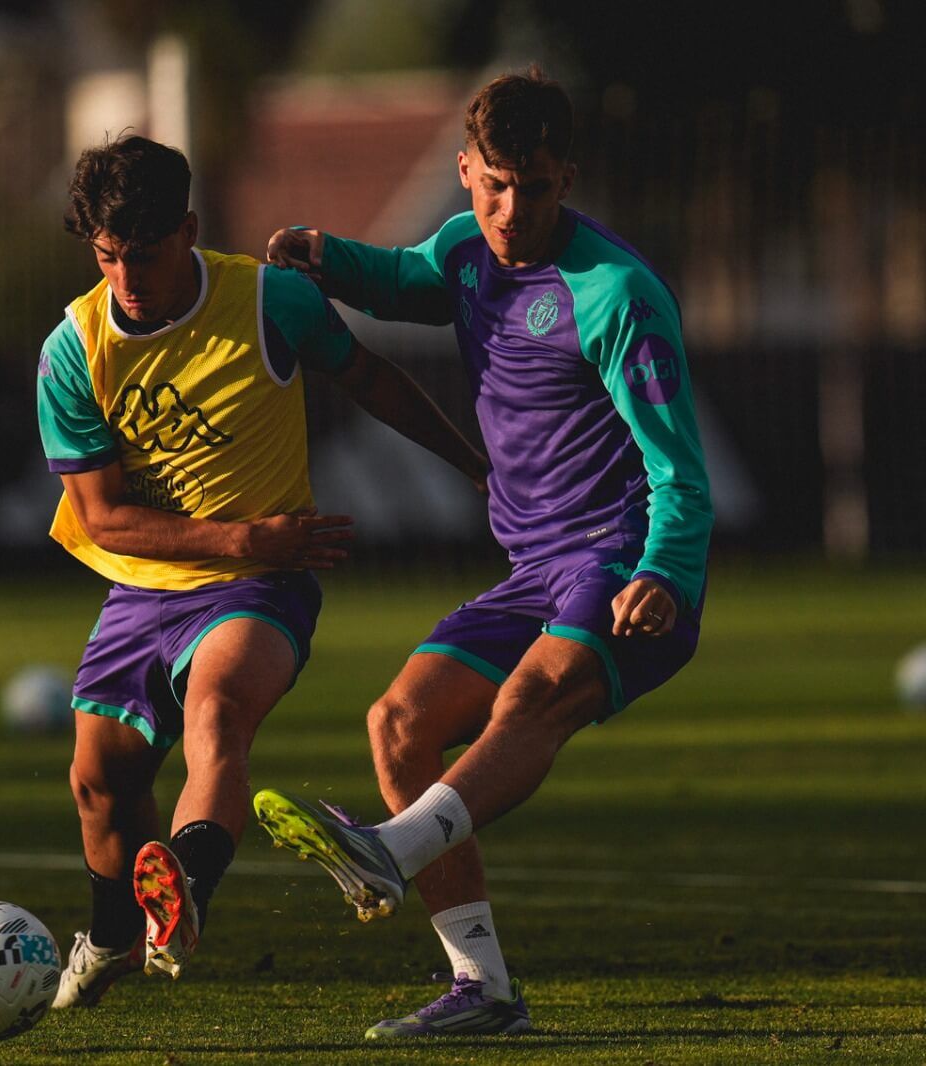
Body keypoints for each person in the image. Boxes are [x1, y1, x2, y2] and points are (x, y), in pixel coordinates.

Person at [252, 68, 713, 1039]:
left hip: (621, 563)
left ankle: (387, 848)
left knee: (525, 700)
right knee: (397, 725)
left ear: (566, 180)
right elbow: (403, 281)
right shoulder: (465, 249)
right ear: (465, 170)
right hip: (534, 568)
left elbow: (680, 466)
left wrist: (664, 575)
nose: (510, 210)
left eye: (534, 188)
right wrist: (324, 255)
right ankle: (483, 989)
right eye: (494, 183)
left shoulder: (615, 293)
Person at [37, 135, 487, 1009]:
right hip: (152, 584)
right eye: (107, 257)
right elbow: (103, 517)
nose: (126, 278)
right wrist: (245, 538)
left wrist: (473, 464)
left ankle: (186, 893)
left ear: (190, 230)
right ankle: (116, 933)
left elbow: (369, 377)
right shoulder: (72, 352)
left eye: (145, 253)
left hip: (260, 587)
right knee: (98, 784)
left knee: (218, 714)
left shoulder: (268, 301)